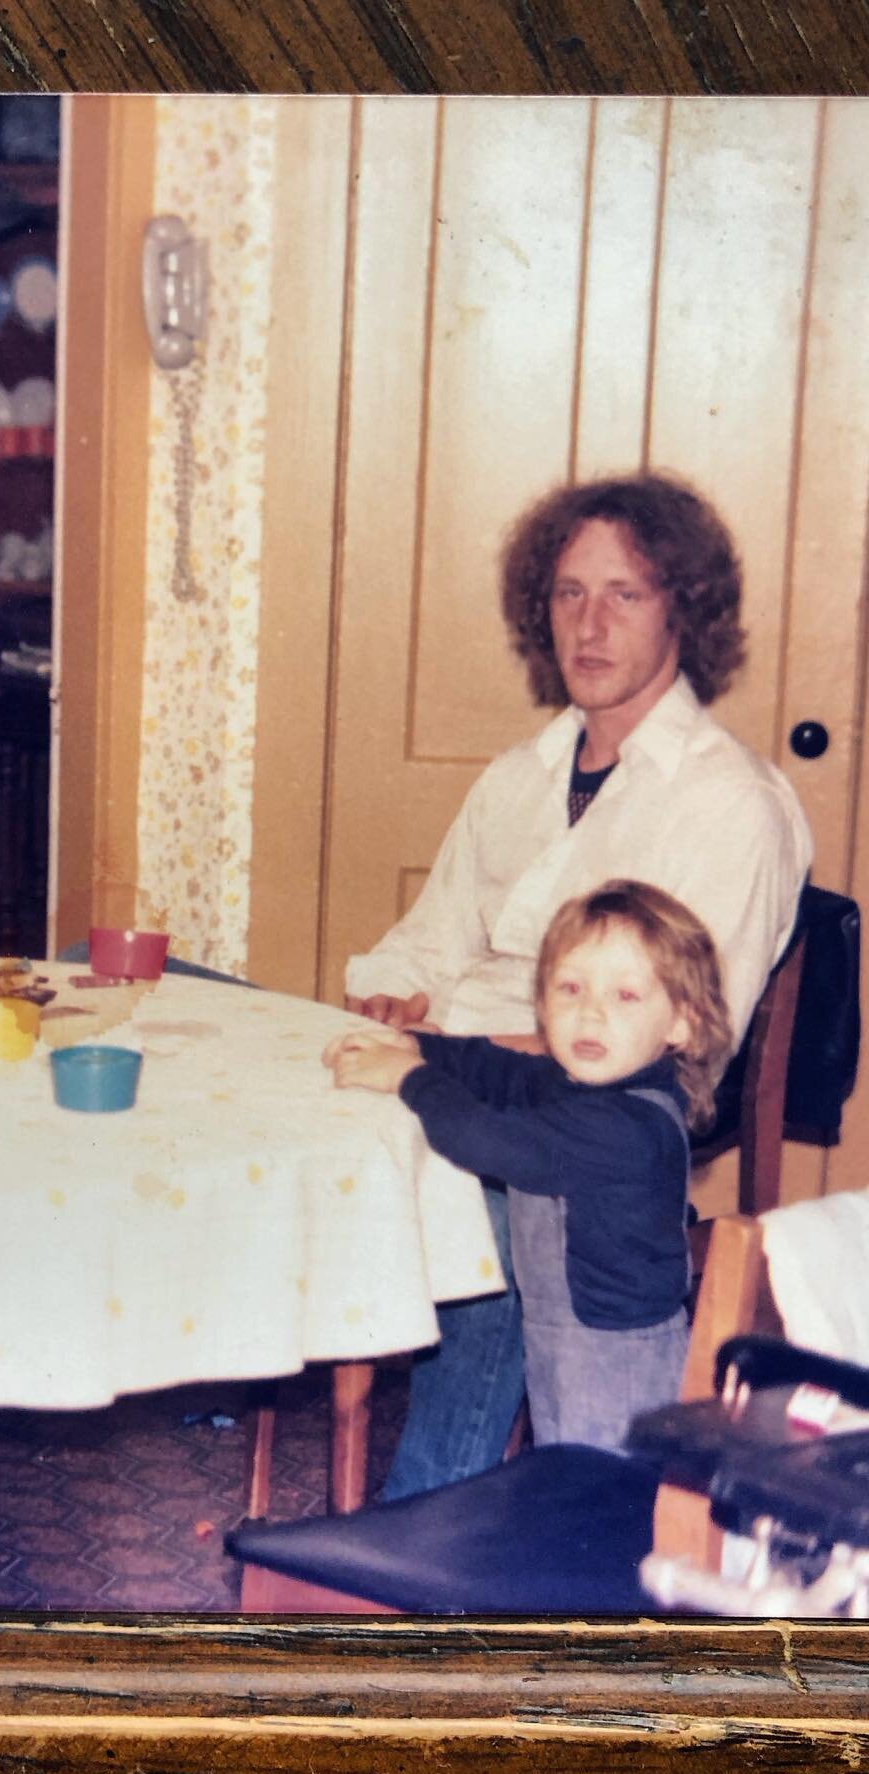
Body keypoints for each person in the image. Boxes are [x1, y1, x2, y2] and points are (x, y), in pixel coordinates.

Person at [345, 471, 813, 1497]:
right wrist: (392, 1005)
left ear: (683, 609)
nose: (589, 624)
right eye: (568, 593)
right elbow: (426, 944)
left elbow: (678, 1042)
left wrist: (443, 1073)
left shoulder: (731, 803)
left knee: (494, 1190)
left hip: (583, 1128)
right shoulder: (519, 776)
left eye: (626, 594)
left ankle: (434, 1509)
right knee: (253, 1040)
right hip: (459, 1071)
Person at [327, 880, 733, 1452]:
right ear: (542, 1005)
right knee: (565, 1470)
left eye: (625, 997)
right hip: (566, 1342)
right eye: (570, 988)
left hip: (617, 1363)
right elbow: (501, 1070)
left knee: (602, 1492)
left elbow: (483, 1139)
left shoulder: (624, 1128)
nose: (590, 1013)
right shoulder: (579, 1087)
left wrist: (409, 1078)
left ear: (681, 1026)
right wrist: (416, 1045)